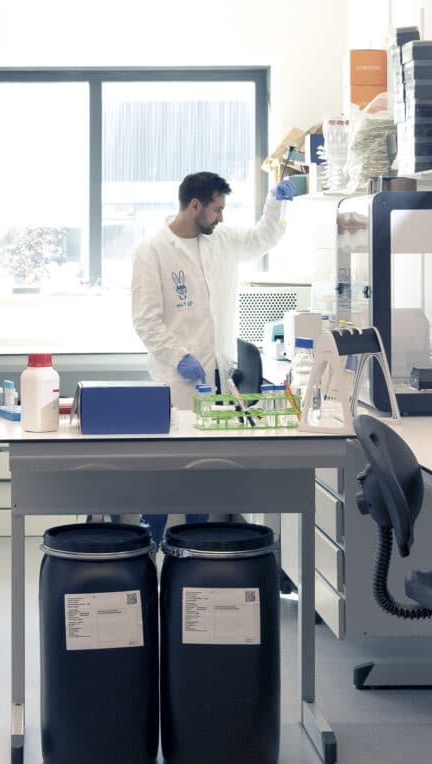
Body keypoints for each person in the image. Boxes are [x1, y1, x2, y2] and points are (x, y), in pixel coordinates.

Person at [130, 171, 294, 543]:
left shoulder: (221, 240)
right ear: (194, 206)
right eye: (217, 209)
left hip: (218, 377)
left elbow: (264, 238)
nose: (221, 217)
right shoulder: (152, 251)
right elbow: (145, 319)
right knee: (167, 472)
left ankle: (195, 554)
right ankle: (148, 547)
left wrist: (276, 205)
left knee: (201, 471)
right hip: (176, 381)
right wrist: (179, 356)